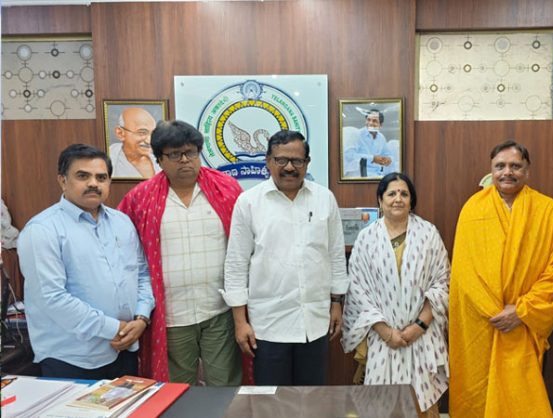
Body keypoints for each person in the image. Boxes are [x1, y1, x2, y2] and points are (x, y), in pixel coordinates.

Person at [449, 140, 553, 418]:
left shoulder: (548, 211)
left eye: (515, 166)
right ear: (490, 170)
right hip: (482, 325)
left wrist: (521, 310)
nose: (508, 172)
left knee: (521, 400)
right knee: (477, 395)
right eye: (500, 166)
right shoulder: (473, 209)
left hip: (522, 322)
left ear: (527, 171)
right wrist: (494, 312)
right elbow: (463, 272)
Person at [118, 120, 246, 385]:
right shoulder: (139, 199)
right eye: (174, 154)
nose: (185, 160)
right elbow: (125, 256)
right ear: (159, 159)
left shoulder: (227, 189)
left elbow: (245, 248)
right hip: (171, 316)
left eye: (191, 152)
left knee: (224, 386)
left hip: (219, 311)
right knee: (175, 390)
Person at [17, 144, 154, 379]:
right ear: (62, 181)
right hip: (71, 357)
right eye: (83, 176)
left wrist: (141, 318)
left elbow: (141, 273)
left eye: (101, 177)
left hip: (125, 349)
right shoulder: (41, 230)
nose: (93, 183)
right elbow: (52, 298)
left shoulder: (122, 222)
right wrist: (115, 328)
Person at [222, 129, 348, 385]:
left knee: (312, 401)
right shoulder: (248, 202)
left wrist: (336, 303)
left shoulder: (324, 199)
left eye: (297, 161)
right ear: (268, 161)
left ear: (307, 163)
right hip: (268, 327)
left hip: (314, 323)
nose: (289, 167)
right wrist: (240, 322)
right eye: (281, 160)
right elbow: (236, 265)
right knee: (273, 405)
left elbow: (335, 255)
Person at [341, 172, 450, 418]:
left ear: (412, 200)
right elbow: (358, 291)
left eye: (404, 193)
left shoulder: (428, 234)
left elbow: (443, 283)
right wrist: (386, 332)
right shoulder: (366, 238)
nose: (397, 199)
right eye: (391, 194)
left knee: (423, 405)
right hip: (382, 338)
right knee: (381, 407)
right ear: (380, 200)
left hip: (422, 336)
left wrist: (418, 326)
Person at [110, 107, 160, 179]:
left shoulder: (160, 160)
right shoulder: (111, 156)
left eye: (153, 134)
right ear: (120, 133)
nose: (149, 141)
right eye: (142, 132)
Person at [343, 109, 395, 177]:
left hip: (378, 174)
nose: (370, 123)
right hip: (360, 175)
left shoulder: (381, 137)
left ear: (380, 125)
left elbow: (387, 154)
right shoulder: (357, 135)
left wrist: (389, 159)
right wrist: (372, 158)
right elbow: (349, 155)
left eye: (374, 121)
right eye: (368, 120)